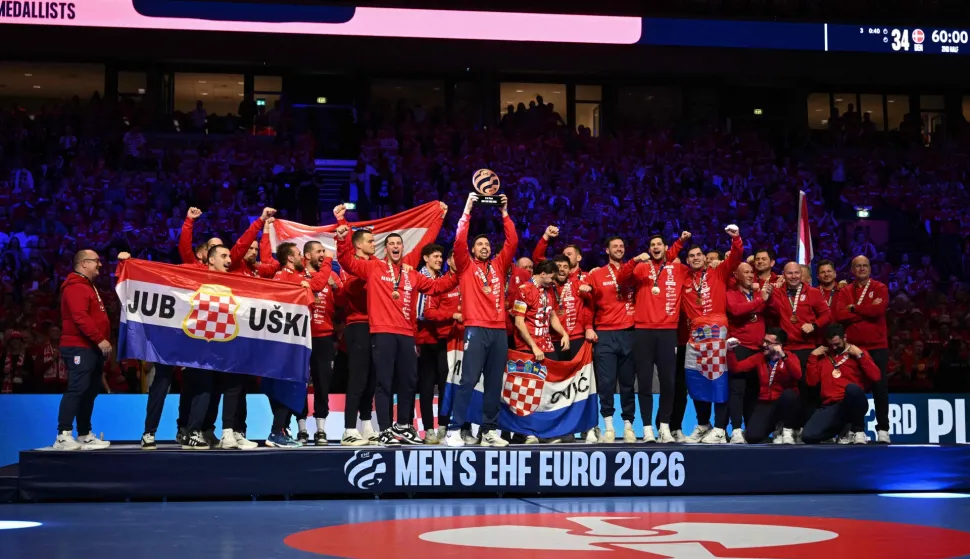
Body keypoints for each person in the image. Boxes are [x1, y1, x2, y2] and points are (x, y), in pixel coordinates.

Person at [336, 220, 458, 446]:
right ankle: (384, 429)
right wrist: (343, 238)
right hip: (382, 332)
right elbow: (346, 261)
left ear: (403, 249)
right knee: (384, 382)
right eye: (391, 243)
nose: (395, 246)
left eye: (398, 244)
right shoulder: (374, 268)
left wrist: (458, 274)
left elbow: (437, 287)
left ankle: (403, 426)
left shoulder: (411, 274)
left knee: (409, 381)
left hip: (407, 334)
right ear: (386, 248)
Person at [446, 193, 518, 448]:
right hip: (476, 328)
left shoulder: (498, 266)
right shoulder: (466, 265)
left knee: (495, 383)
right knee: (468, 380)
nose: (485, 247)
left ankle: (489, 430)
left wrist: (505, 212)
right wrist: (467, 208)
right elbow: (459, 239)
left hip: (498, 331)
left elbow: (513, 241)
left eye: (488, 244)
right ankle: (454, 428)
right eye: (480, 245)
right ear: (473, 250)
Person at [617, 231, 690, 443]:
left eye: (659, 244)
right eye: (652, 245)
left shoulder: (677, 269)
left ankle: (664, 428)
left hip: (668, 332)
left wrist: (682, 243)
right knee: (645, 383)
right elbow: (622, 278)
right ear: (648, 249)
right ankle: (647, 427)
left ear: (665, 248)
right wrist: (634, 260)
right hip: (643, 332)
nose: (655, 247)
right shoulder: (641, 268)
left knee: (668, 382)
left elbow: (698, 271)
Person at [679, 226, 743, 444]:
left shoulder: (718, 272)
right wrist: (679, 242)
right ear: (687, 261)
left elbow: (735, 258)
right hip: (695, 336)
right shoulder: (684, 278)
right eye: (691, 256)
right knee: (696, 380)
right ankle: (703, 423)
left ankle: (719, 428)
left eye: (699, 255)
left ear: (706, 258)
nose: (696, 258)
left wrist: (735, 239)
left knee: (718, 381)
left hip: (717, 333)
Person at [264, 241, 332, 447]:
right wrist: (328, 259)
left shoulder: (280, 276)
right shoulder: (293, 277)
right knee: (289, 383)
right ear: (291, 258)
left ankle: (280, 430)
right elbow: (319, 284)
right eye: (298, 254)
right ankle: (277, 432)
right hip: (292, 341)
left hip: (283, 339)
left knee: (285, 383)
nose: (302, 258)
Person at [54, 249, 115, 450]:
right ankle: (63, 435)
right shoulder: (75, 286)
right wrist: (100, 339)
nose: (100, 264)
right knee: (77, 389)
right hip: (79, 346)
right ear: (83, 263)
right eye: (96, 261)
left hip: (90, 347)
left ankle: (83, 434)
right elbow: (80, 317)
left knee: (89, 391)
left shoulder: (87, 286)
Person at [583, 236, 638, 444]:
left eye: (622, 246)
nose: (619, 249)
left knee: (627, 383)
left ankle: (629, 425)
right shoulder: (596, 274)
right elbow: (588, 306)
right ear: (607, 250)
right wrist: (588, 326)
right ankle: (608, 427)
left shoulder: (633, 271)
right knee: (605, 383)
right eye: (614, 246)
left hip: (628, 333)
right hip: (604, 334)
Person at [767, 261, 832, 436]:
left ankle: (805, 427)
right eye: (790, 273)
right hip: (786, 350)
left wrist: (814, 325)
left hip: (807, 348)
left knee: (807, 389)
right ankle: (788, 427)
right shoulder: (778, 293)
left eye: (797, 273)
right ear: (783, 275)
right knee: (788, 391)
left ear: (801, 275)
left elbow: (827, 314)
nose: (794, 276)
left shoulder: (813, 293)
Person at [833, 255, 891, 443]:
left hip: (878, 346)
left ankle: (883, 429)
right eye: (858, 266)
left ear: (870, 269)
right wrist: (864, 310)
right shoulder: (845, 291)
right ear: (852, 270)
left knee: (879, 388)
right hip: (854, 347)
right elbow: (839, 315)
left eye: (865, 265)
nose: (862, 269)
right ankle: (857, 430)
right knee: (854, 390)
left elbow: (878, 311)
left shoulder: (879, 288)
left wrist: (853, 309)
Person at [802, 324, 881, 444]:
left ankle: (858, 430)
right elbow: (812, 382)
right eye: (831, 344)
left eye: (837, 344)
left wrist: (860, 356)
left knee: (852, 389)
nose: (834, 347)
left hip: (852, 403)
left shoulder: (858, 353)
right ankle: (841, 430)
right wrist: (813, 357)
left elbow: (876, 376)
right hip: (831, 406)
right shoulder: (824, 357)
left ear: (844, 337)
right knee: (808, 436)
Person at [297, 241, 343, 445]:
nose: (323, 255)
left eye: (324, 252)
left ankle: (321, 429)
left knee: (322, 382)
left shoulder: (332, 276)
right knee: (299, 382)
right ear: (307, 255)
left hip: (324, 337)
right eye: (319, 252)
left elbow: (342, 303)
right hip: (300, 337)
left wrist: (337, 288)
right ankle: (301, 428)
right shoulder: (298, 277)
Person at [725, 262, 775, 443]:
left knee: (754, 391)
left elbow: (772, 311)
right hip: (740, 347)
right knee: (737, 390)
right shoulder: (730, 294)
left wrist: (769, 296)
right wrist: (761, 299)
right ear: (736, 276)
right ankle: (736, 429)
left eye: (751, 272)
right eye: (745, 272)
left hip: (759, 350)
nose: (749, 275)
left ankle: (750, 429)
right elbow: (736, 311)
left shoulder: (757, 294)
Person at [417, 248, 461, 444]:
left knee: (445, 385)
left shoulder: (444, 279)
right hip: (426, 340)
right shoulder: (425, 279)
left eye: (440, 256)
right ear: (426, 259)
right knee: (426, 387)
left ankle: (443, 426)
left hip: (446, 340)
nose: (439, 259)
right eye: (436, 256)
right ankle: (428, 429)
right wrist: (451, 315)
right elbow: (424, 313)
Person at [727, 328, 801, 444]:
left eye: (768, 343)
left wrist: (783, 356)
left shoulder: (789, 357)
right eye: (764, 341)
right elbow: (736, 368)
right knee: (752, 437)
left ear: (779, 345)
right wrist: (730, 351)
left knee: (790, 395)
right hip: (766, 403)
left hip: (782, 402)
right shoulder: (759, 357)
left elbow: (798, 375)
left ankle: (786, 430)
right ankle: (775, 428)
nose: (764, 345)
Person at [512, 259, 570, 363]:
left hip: (546, 344)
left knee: (554, 376)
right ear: (543, 274)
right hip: (527, 346)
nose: (553, 281)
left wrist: (564, 334)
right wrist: (534, 347)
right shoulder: (524, 290)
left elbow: (552, 316)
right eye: (552, 278)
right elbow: (519, 322)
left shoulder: (549, 289)